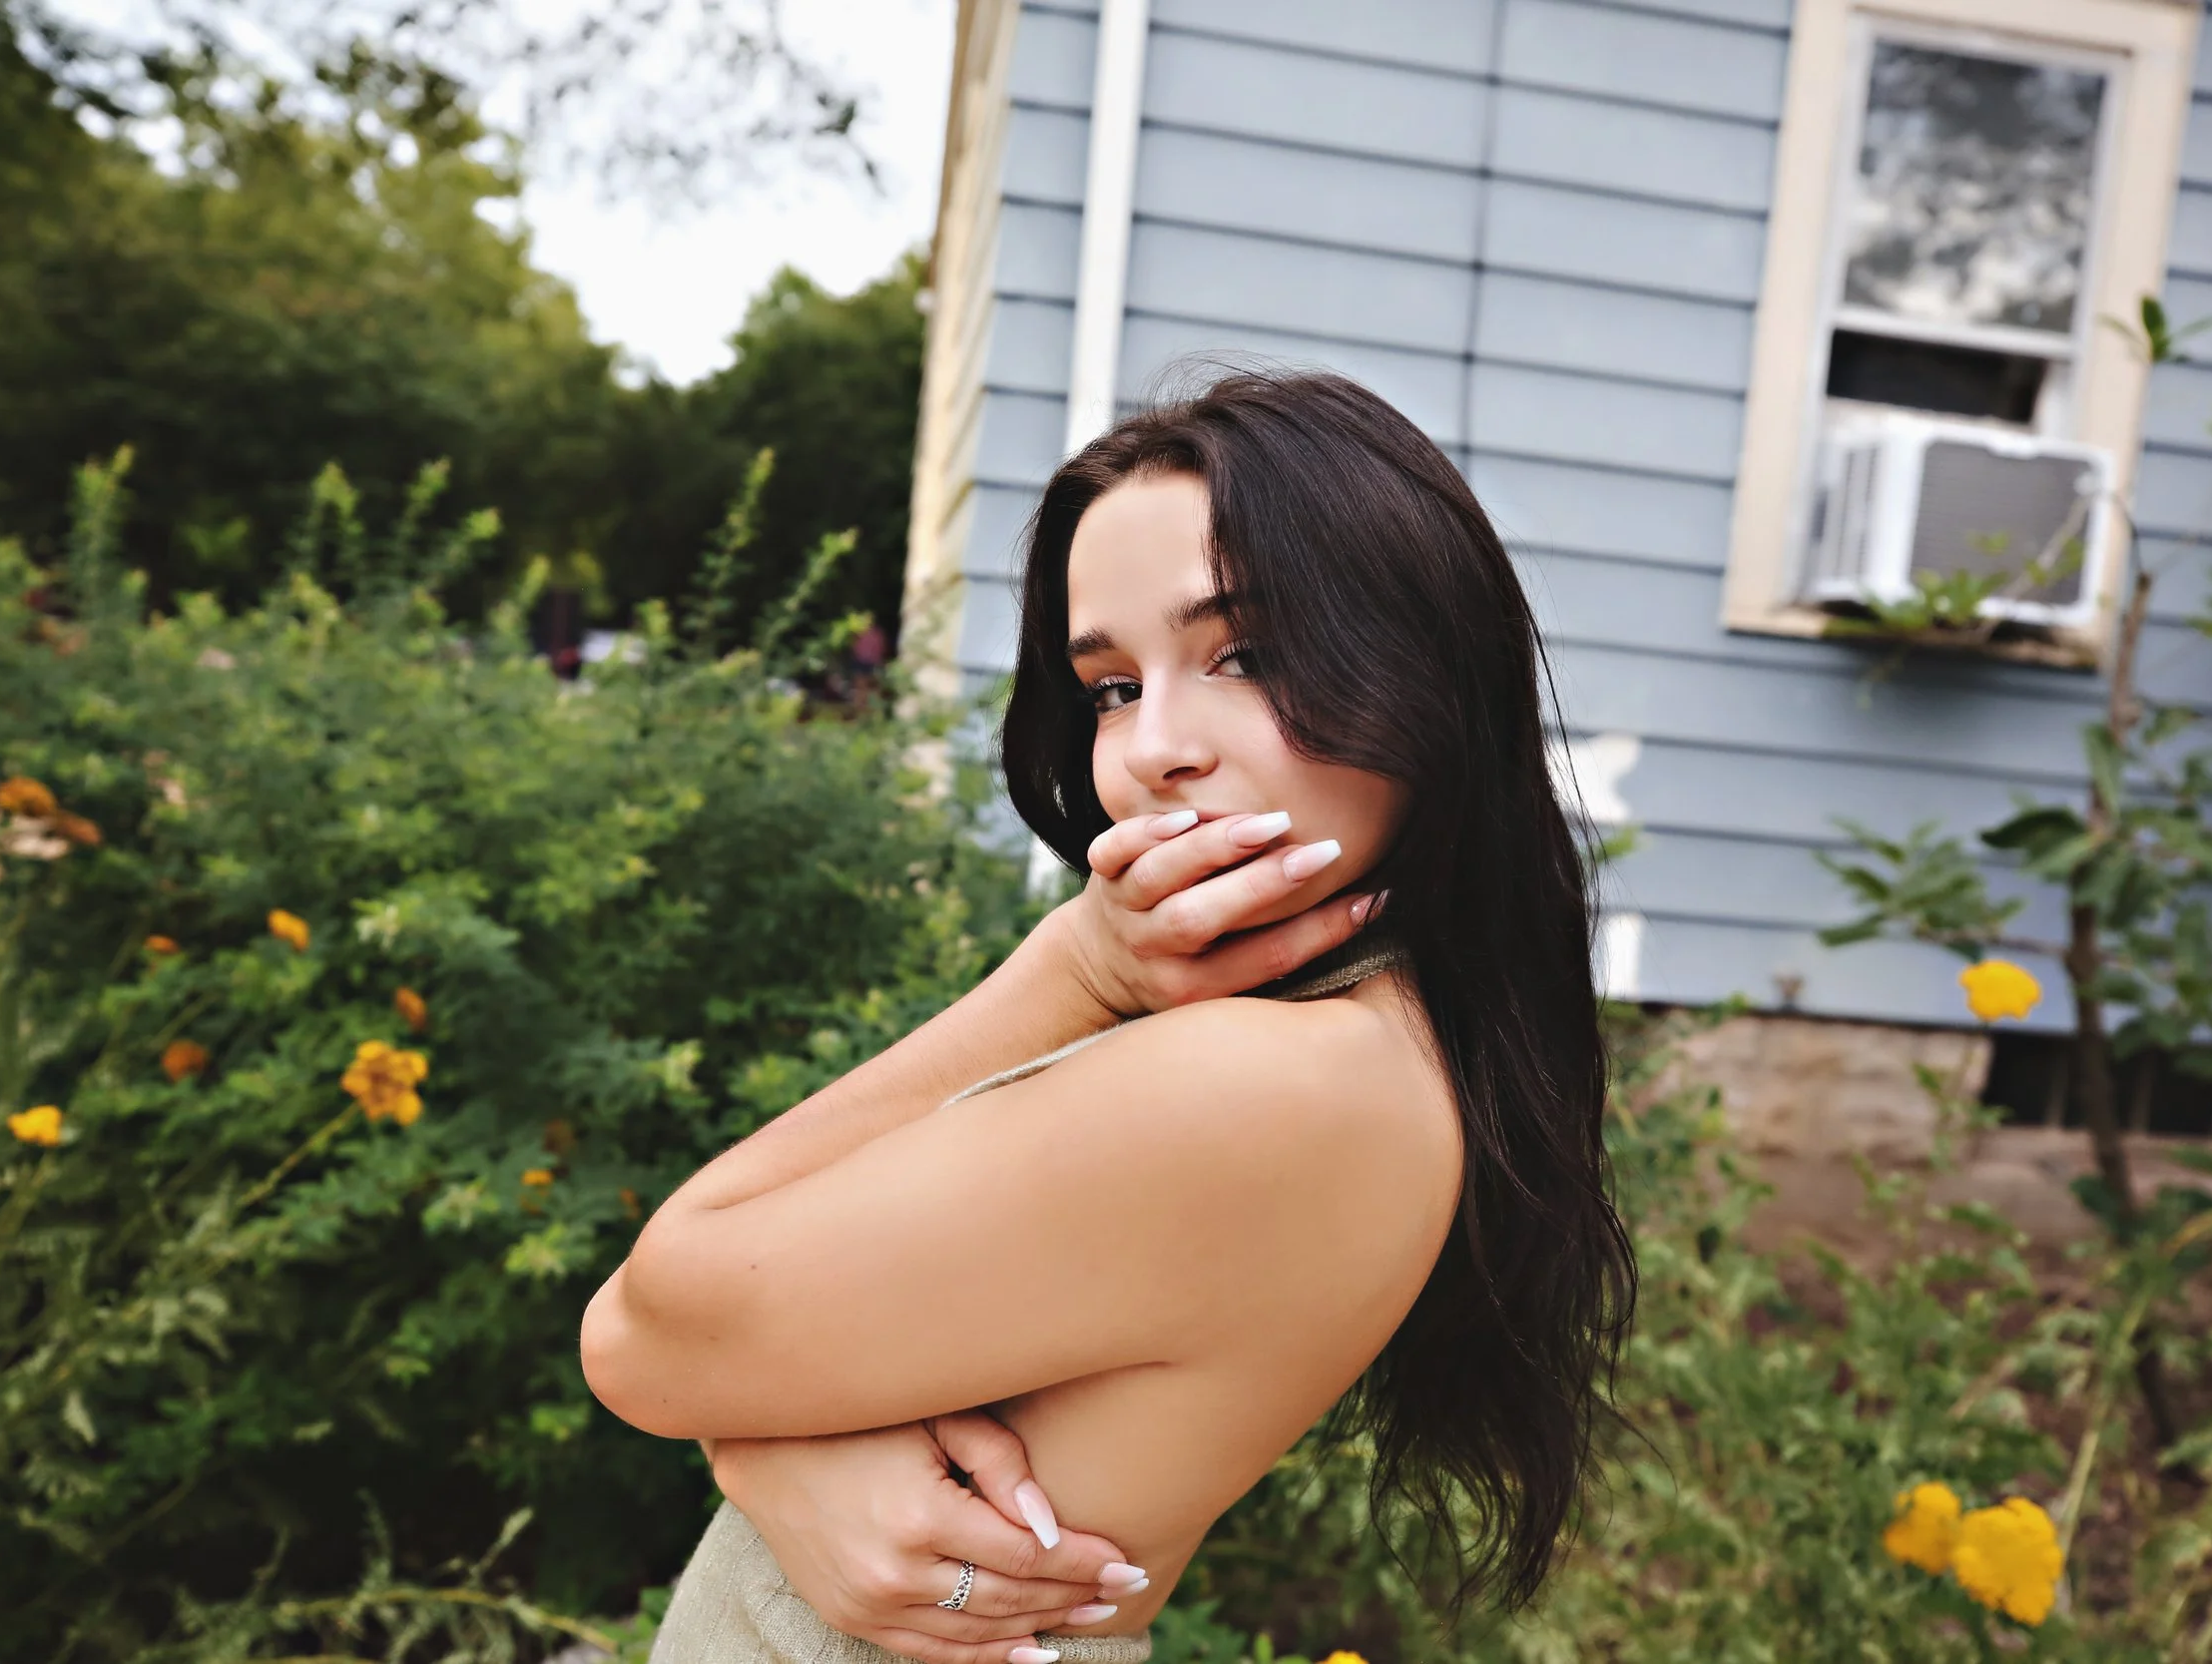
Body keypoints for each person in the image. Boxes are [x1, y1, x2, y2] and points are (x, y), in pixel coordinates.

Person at [581, 370, 1635, 1664]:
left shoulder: (1274, 1083)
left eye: (1243, 653)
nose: (1151, 750)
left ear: (1424, 673)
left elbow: (644, 1330)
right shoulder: (1340, 1035)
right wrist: (774, 1446)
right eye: (1112, 688)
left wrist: (1076, 968)